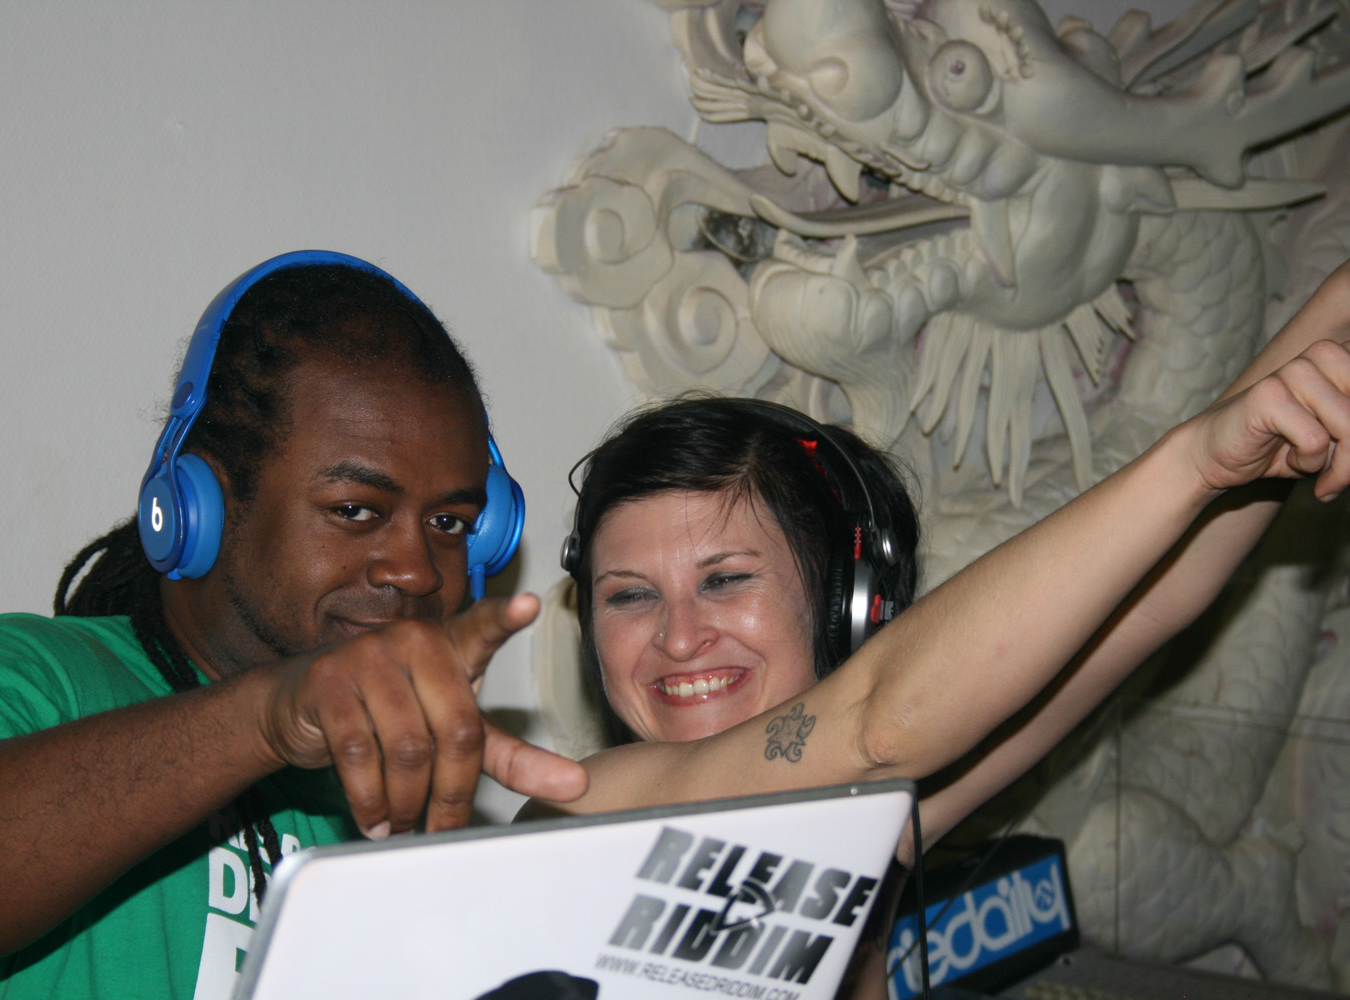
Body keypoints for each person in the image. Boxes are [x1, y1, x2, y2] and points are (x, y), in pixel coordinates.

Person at [524, 263, 1350, 995]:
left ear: (846, 605)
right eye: (630, 597)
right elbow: (880, 725)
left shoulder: (858, 815)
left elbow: (1145, 608)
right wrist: (1193, 461)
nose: (678, 638)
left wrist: (1329, 321)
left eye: (725, 580)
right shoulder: (585, 813)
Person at [0, 251, 587, 998]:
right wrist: (263, 720)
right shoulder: (30, 678)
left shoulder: (412, 786)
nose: (417, 571)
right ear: (197, 506)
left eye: (449, 522)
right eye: (354, 510)